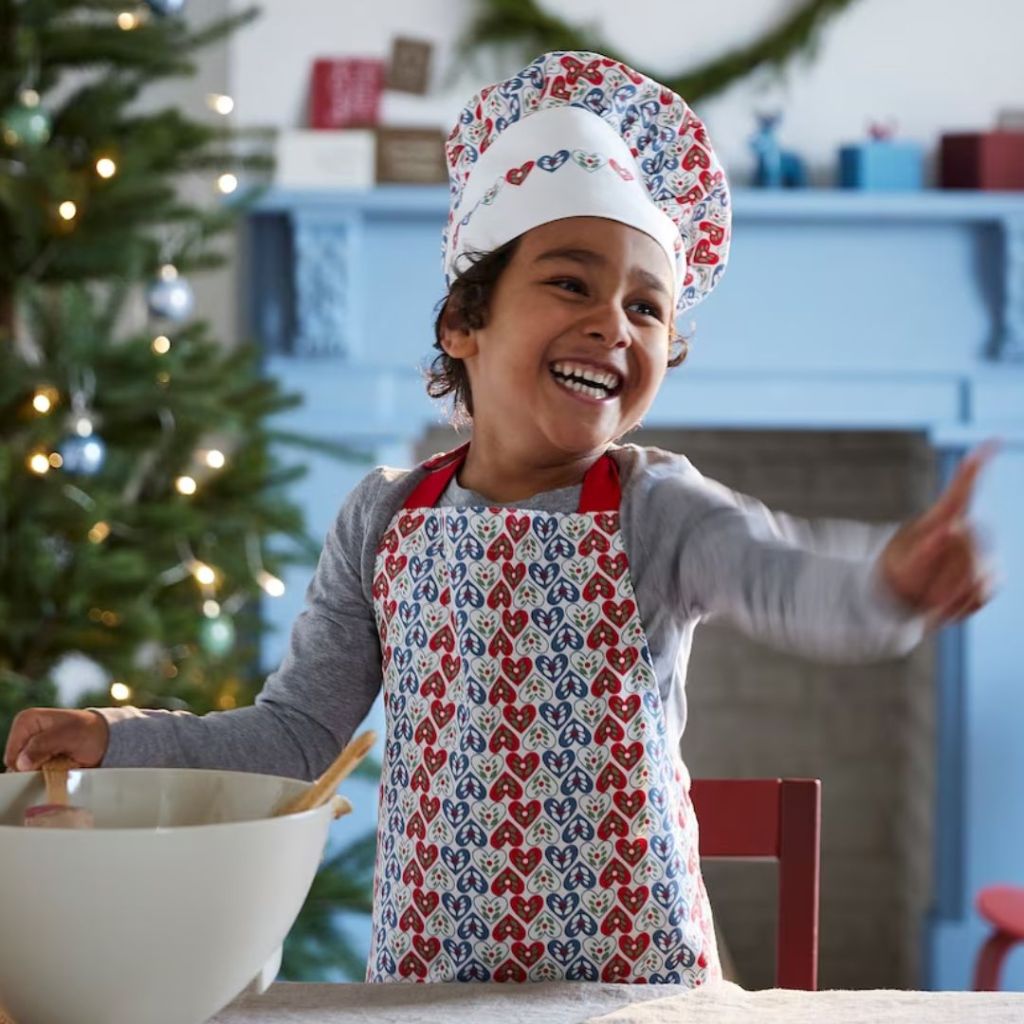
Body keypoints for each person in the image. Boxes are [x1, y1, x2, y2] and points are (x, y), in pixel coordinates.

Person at [3, 51, 995, 986]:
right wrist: (114, 733)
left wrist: (888, 582)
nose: (614, 321)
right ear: (462, 323)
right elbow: (294, 736)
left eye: (647, 308)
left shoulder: (659, 506)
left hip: (632, 984)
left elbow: (788, 581)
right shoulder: (383, 517)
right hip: (433, 985)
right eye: (571, 282)